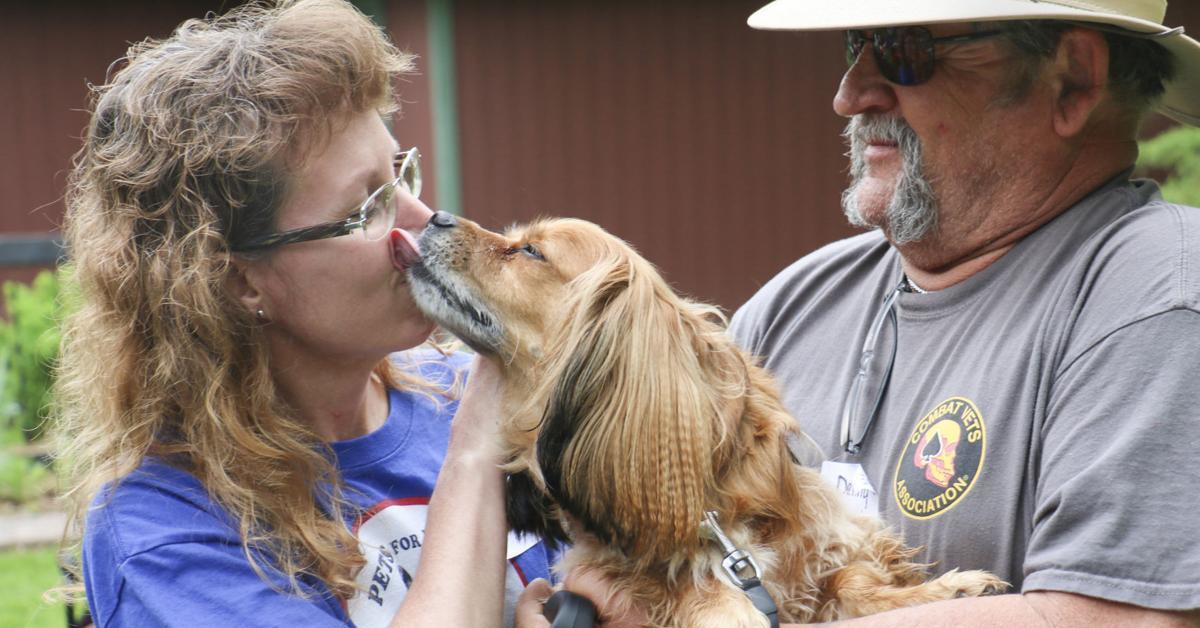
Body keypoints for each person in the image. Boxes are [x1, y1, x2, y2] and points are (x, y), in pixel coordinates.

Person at [518, 0, 1200, 626]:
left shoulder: (1155, 293)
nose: (850, 94)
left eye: (905, 51)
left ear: (1074, 80)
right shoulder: (800, 299)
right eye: (856, 43)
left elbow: (1112, 620)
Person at [53, 1, 555, 626]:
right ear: (240, 281)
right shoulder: (168, 535)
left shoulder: (456, 392)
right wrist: (477, 455)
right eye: (369, 206)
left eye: (402, 175)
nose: (424, 225)